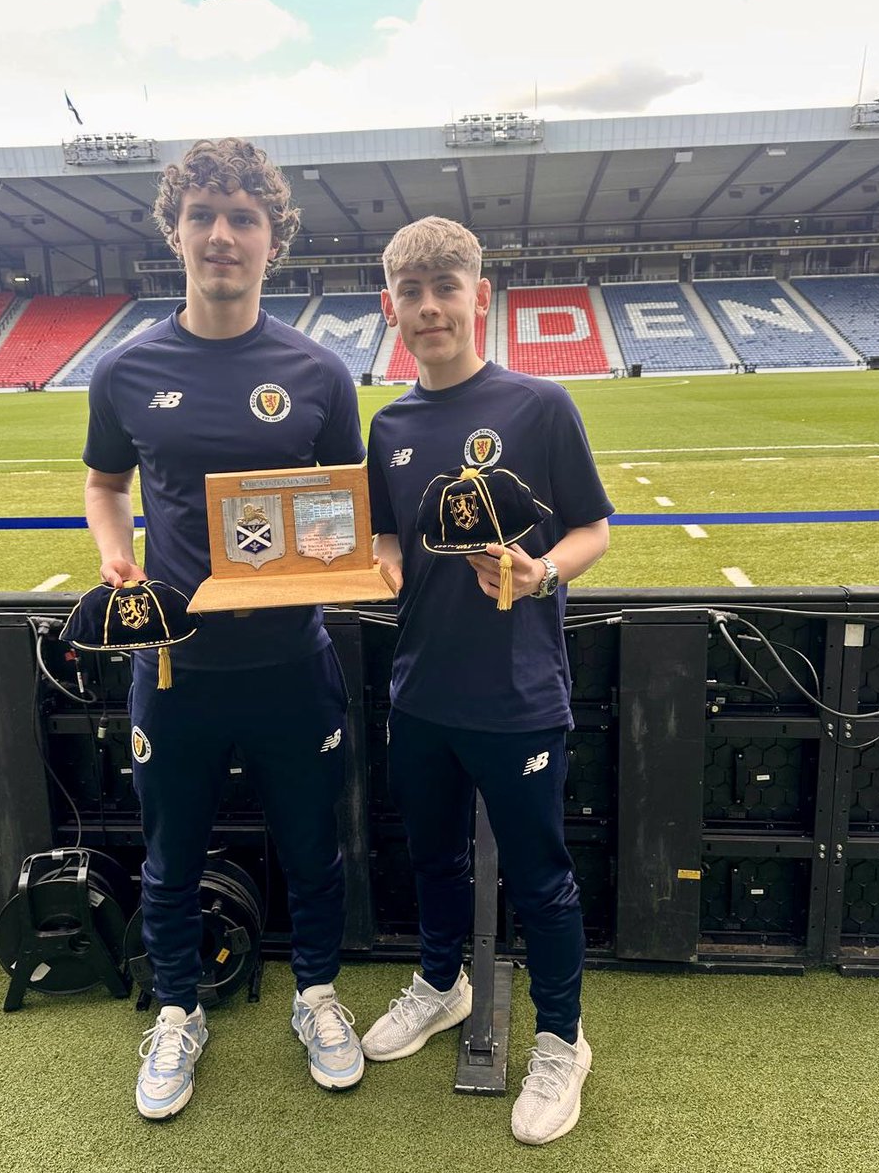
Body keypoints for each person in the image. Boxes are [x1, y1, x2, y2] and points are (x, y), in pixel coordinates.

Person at [82, 138, 367, 1121]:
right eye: (202, 213)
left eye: (242, 217)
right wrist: (114, 558)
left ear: (271, 239)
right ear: (173, 230)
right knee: (169, 853)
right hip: (175, 668)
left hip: (294, 662)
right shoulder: (124, 371)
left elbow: (343, 509)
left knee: (312, 846)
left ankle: (318, 996)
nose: (220, 234)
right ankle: (175, 1011)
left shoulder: (320, 373)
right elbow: (104, 485)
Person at [363, 217, 613, 1146]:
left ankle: (560, 1037)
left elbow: (590, 529)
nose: (429, 307)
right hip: (421, 692)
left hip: (517, 697)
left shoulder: (539, 405)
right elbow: (388, 537)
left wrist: (543, 571)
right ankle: (441, 983)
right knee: (433, 859)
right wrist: (372, 563)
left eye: (445, 287)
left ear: (479, 293)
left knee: (541, 879)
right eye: (411, 293)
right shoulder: (386, 423)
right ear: (392, 309)